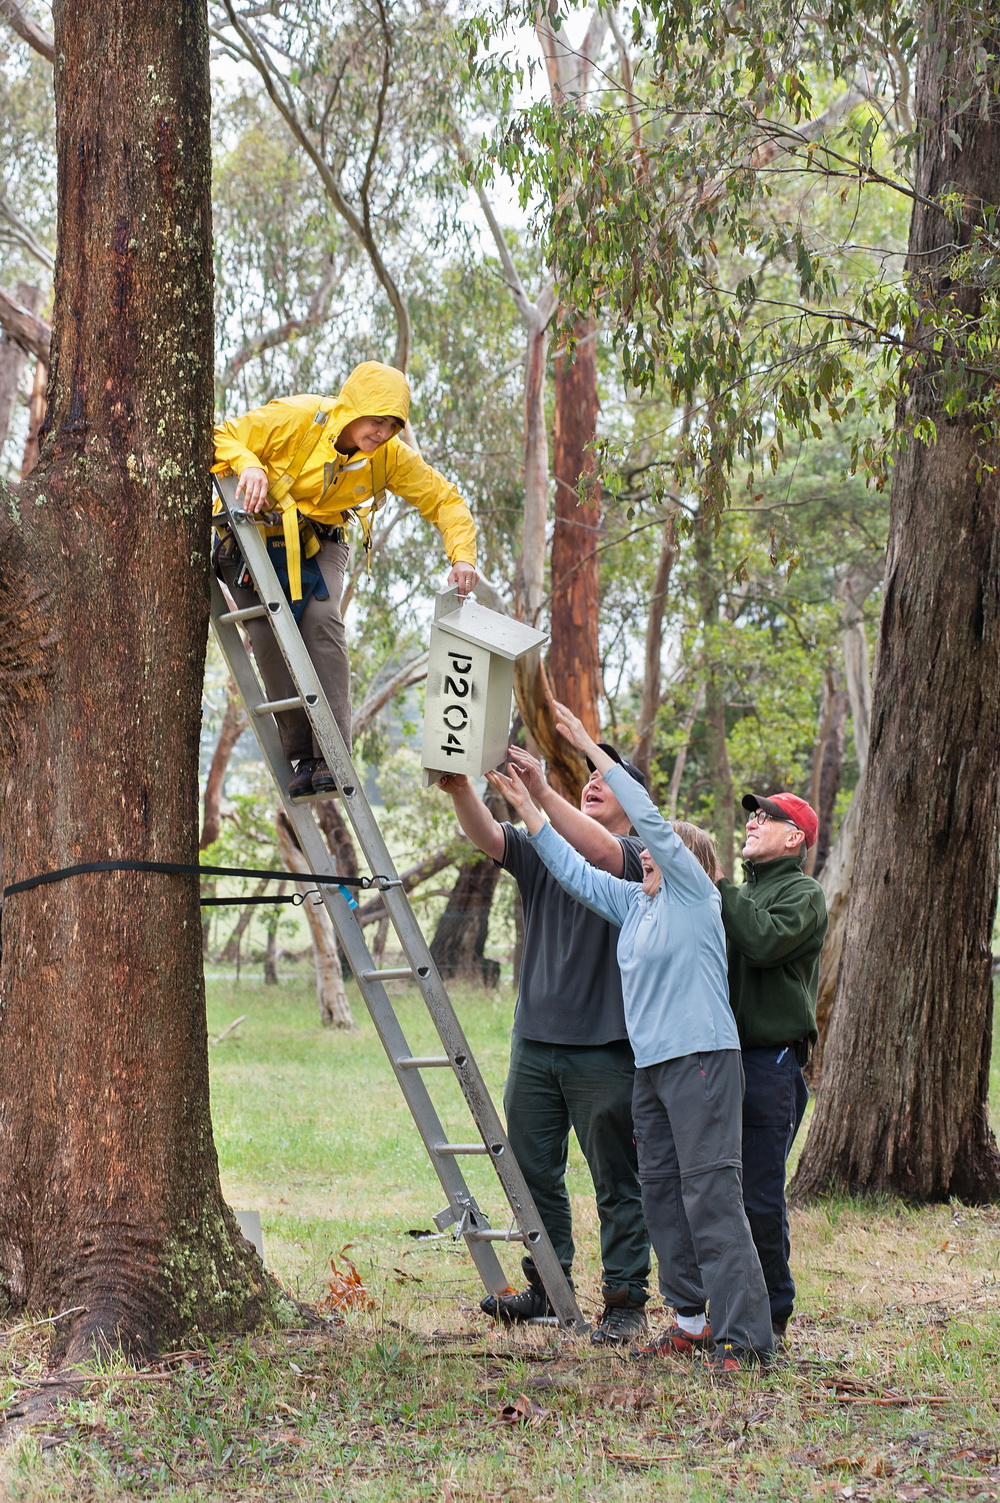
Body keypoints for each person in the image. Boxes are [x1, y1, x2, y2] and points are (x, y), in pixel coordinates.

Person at [487, 703, 773, 1373]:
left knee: (711, 1194)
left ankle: (747, 1337)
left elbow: (646, 818)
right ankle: (692, 1320)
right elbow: (571, 870)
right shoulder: (636, 905)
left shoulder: (695, 899)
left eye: (659, 848)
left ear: (684, 861)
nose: (646, 851)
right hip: (652, 1071)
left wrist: (586, 744)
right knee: (665, 1195)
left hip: (701, 1060)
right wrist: (530, 805)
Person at [437, 743, 651, 1346]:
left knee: (617, 1177)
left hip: (606, 1048)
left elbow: (601, 850)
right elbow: (492, 839)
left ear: (635, 805)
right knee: (532, 1171)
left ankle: (625, 1298)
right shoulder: (539, 849)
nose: (592, 783)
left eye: (608, 780)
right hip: (534, 1042)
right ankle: (547, 1285)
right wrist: (459, 790)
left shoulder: (635, 856)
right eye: (587, 776)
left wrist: (541, 796)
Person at [213, 362, 478, 797]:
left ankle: (331, 753)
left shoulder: (389, 457)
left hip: (319, 542)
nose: (383, 433)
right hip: (254, 542)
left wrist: (462, 556)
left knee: (321, 620)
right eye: (378, 420)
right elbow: (223, 434)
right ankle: (302, 754)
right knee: (266, 635)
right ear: (354, 407)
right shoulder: (298, 418)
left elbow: (444, 499)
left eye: (393, 425)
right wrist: (249, 465)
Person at [713, 792, 828, 1348]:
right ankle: (723, 1312)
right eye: (752, 815)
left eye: (767, 817)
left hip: (770, 1062)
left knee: (758, 1197)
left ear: (794, 838)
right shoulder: (741, 893)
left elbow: (760, 941)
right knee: (716, 1193)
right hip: (718, 1059)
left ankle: (772, 1318)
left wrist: (717, 884)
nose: (754, 823)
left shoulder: (802, 894)